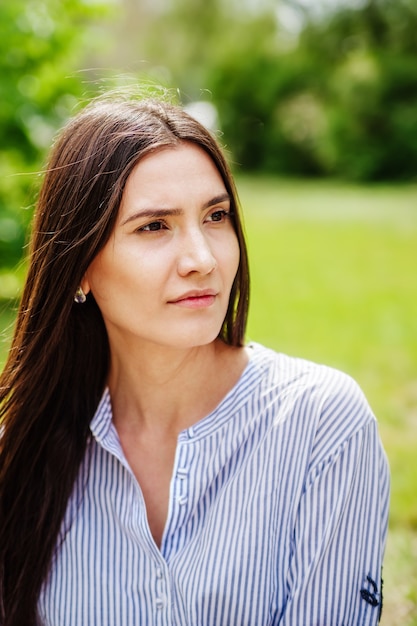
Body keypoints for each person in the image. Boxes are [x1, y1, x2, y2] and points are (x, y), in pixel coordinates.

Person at [0, 93, 389, 626]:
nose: (202, 259)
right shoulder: (25, 450)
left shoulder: (321, 423)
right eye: (154, 226)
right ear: (80, 268)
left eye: (216, 216)